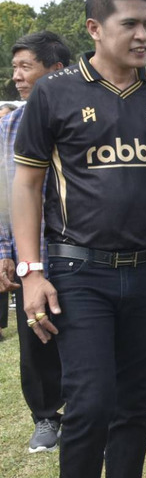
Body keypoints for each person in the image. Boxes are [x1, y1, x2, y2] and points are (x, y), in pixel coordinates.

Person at [12, 0, 146, 478]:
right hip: (79, 272)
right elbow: (26, 184)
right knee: (91, 403)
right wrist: (30, 270)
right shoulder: (55, 91)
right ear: (95, 28)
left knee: (133, 404)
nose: (144, 35)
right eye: (130, 24)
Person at [0, 31, 69, 453]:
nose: (17, 77)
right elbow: (4, 195)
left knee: (83, 333)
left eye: (26, 67)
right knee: (35, 335)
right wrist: (4, 252)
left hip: (81, 249)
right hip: (32, 254)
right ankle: (46, 416)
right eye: (15, 68)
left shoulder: (82, 115)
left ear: (55, 70)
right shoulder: (9, 124)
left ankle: (89, 413)